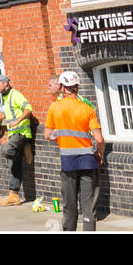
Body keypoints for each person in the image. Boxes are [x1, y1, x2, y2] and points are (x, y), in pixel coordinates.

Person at [44, 70, 105, 232]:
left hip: (68, 163)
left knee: (69, 205)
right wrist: (100, 153)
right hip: (88, 162)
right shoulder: (87, 109)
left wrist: (59, 134)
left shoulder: (54, 108)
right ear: (77, 87)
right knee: (88, 206)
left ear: (62, 88)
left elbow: (47, 134)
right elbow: (99, 139)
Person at [0, 74, 34, 206]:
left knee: (4, 151)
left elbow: (29, 109)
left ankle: (25, 146)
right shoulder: (6, 97)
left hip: (21, 132)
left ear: (6, 84)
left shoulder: (15, 94)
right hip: (14, 134)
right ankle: (13, 194)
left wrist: (17, 121)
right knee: (16, 165)